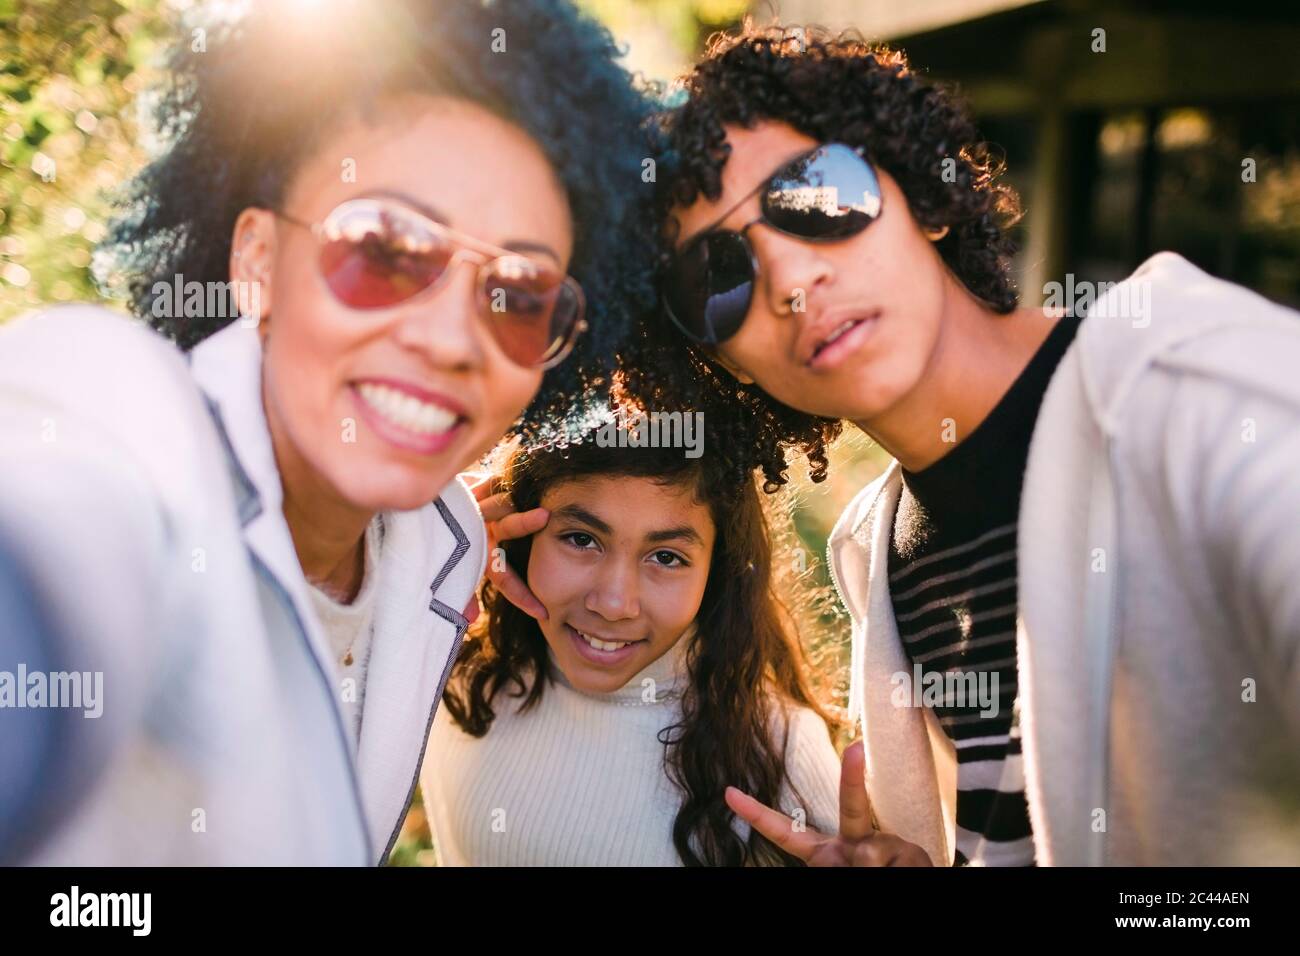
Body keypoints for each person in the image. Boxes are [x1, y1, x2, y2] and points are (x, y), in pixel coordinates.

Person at [0, 0, 657, 865]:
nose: (452, 339)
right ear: (258, 263)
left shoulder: (445, 538)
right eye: (384, 248)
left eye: (518, 296)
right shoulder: (120, 420)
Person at [646, 25, 1300, 866]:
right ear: (716, 362)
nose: (790, 282)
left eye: (816, 197)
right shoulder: (879, 552)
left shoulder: (1194, 389)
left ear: (922, 193)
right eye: (717, 279)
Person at [421, 415, 841, 865]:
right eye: (581, 539)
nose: (614, 603)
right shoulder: (455, 664)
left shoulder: (777, 748)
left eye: (666, 557)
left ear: (715, 573)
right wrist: (422, 548)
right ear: (522, 532)